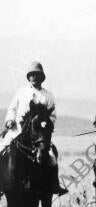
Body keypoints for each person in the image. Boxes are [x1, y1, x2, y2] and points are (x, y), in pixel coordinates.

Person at [2, 61, 67, 195]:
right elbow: (12, 109)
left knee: (52, 157)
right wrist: (9, 120)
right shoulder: (21, 92)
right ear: (28, 77)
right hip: (17, 132)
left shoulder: (48, 96)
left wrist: (47, 124)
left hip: (38, 136)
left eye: (37, 75)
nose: (34, 77)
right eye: (32, 75)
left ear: (41, 77)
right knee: (1, 149)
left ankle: (54, 185)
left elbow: (53, 115)